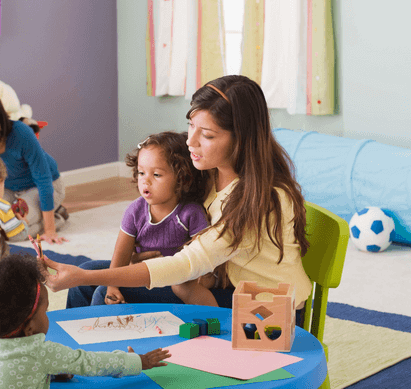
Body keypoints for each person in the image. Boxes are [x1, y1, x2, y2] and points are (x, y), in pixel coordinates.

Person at [44, 75, 312, 327]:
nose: (191, 142)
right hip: (221, 285)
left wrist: (90, 277)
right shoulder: (210, 174)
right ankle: (69, 356)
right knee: (87, 277)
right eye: (190, 126)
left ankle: (99, 364)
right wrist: (98, 271)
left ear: (241, 140)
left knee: (103, 286)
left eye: (206, 135)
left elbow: (186, 264)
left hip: (262, 312)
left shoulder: (261, 199)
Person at [0, 254, 171, 389]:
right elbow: (88, 362)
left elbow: (9, 372)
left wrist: (50, 373)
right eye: (45, 311)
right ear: (30, 328)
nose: (48, 315)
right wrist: (138, 362)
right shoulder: (41, 353)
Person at [69, 131, 214, 309]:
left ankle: (95, 334)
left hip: (172, 281)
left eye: (157, 175)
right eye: (141, 172)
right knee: (84, 273)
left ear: (182, 178)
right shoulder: (135, 211)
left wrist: (110, 287)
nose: (145, 181)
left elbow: (205, 259)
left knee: (101, 292)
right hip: (139, 270)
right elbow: (121, 254)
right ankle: (70, 330)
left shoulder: (190, 213)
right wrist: (112, 285)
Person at [0, 90, 69, 245]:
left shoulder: (22, 133)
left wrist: (49, 230)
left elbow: (43, 180)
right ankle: (43, 215)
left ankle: (56, 218)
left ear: (1, 123)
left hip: (44, 187)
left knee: (11, 232)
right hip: (4, 189)